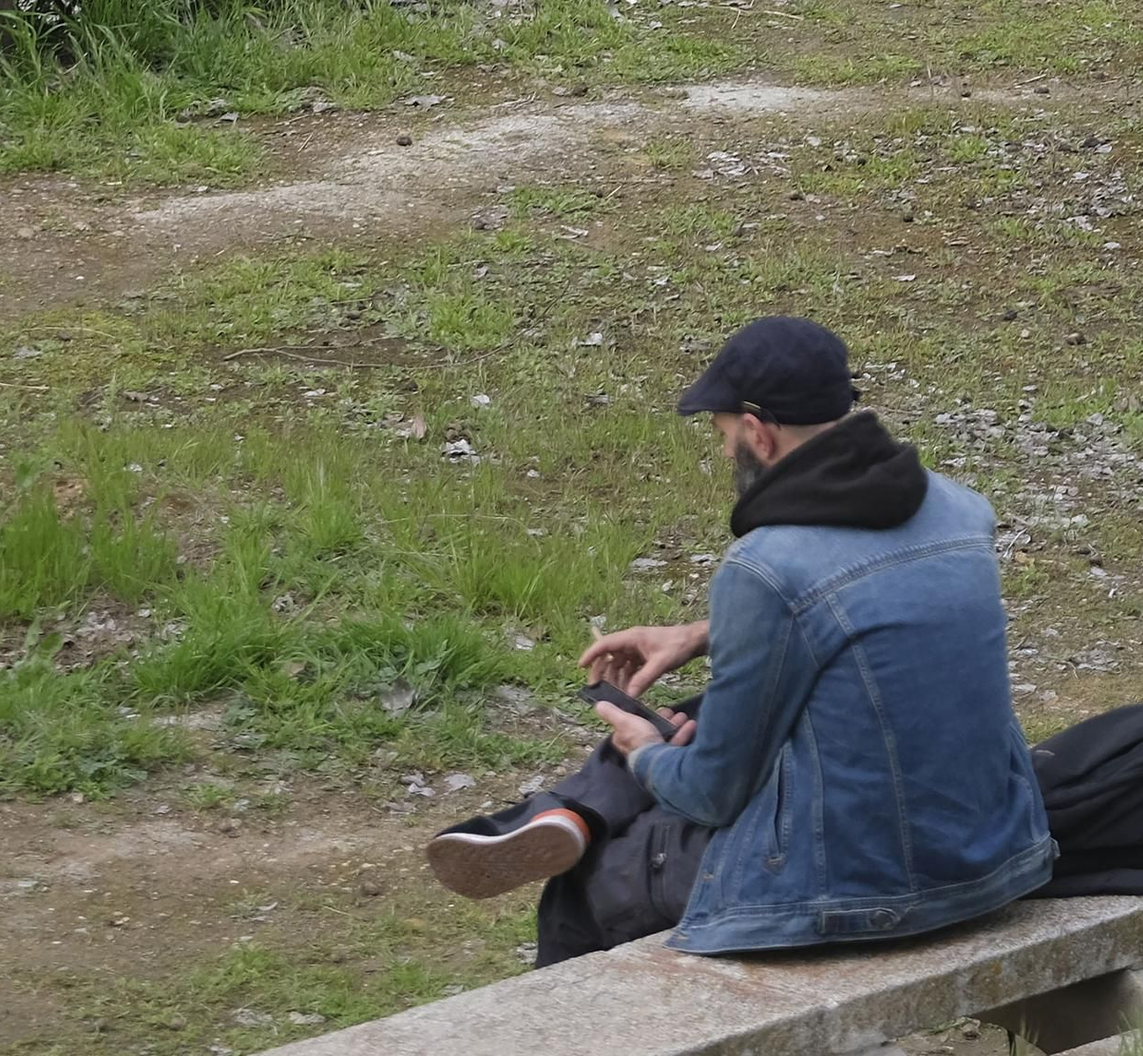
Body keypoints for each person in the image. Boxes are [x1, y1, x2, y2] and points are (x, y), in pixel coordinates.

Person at [427, 317, 1054, 965]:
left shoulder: (766, 566)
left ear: (759, 432)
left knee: (593, 882)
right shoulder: (960, 509)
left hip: (866, 890)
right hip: (995, 850)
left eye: (725, 436)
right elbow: (873, 618)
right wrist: (700, 635)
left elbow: (713, 792)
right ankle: (572, 810)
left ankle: (579, 819)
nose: (726, 453)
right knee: (700, 716)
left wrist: (644, 753)